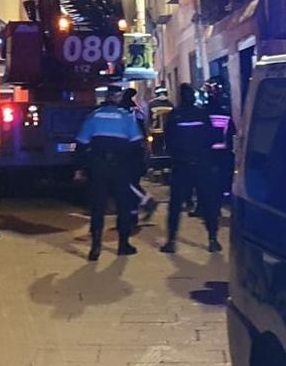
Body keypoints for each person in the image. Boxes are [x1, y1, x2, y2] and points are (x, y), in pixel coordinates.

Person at [75, 84, 145, 260]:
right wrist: (137, 169)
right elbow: (137, 144)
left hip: (98, 167)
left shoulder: (93, 116)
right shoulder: (127, 117)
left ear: (106, 97)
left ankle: (95, 248)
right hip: (120, 167)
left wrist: (81, 168)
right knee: (123, 205)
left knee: (98, 207)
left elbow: (81, 144)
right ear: (118, 98)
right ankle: (123, 245)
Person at [160, 84, 222, 253]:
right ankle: (212, 239)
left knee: (175, 205)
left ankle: (171, 241)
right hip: (202, 164)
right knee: (208, 202)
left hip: (182, 166)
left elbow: (169, 141)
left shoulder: (174, 116)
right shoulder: (202, 114)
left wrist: (177, 156)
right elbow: (212, 137)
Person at [120, 89, 158, 222]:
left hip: (128, 149)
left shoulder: (123, 111)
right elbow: (143, 127)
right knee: (133, 181)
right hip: (139, 148)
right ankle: (133, 214)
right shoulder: (137, 110)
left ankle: (147, 201)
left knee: (126, 182)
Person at [205, 78, 237, 203]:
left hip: (209, 152)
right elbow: (232, 133)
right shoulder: (225, 115)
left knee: (210, 178)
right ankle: (226, 195)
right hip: (224, 151)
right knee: (225, 175)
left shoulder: (204, 115)